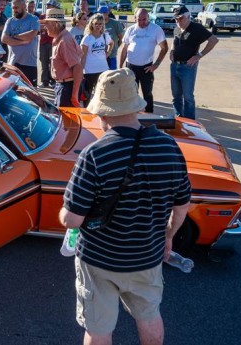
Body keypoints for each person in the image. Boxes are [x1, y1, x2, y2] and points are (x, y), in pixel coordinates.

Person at [59, 68, 191, 345]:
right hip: (146, 256)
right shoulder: (169, 147)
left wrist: (63, 212)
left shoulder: (94, 154)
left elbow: (71, 220)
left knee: (98, 328)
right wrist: (168, 237)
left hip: (99, 259)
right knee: (149, 316)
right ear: (136, 108)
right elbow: (182, 203)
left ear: (103, 113)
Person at [170, 6, 218, 120]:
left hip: (188, 66)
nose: (178, 21)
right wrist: (172, 50)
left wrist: (199, 55)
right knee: (176, 96)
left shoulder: (196, 28)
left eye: (180, 18)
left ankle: (189, 123)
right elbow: (174, 41)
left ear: (187, 17)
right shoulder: (178, 28)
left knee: (188, 97)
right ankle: (178, 119)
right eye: (176, 19)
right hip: (174, 65)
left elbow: (214, 40)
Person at [120, 8, 168, 113]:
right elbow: (125, 49)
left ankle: (149, 116)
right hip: (131, 67)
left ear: (148, 17)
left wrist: (156, 65)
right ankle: (132, 115)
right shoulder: (130, 30)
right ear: (135, 18)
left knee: (147, 93)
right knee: (132, 93)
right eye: (139, 20)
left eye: (144, 19)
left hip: (146, 68)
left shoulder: (156, 29)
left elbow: (164, 48)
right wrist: (120, 66)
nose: (142, 22)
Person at [44, 7, 82, 107]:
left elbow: (77, 67)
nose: (45, 26)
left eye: (46, 23)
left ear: (54, 24)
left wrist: (74, 95)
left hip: (67, 88)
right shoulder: (60, 38)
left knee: (66, 120)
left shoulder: (65, 41)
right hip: (63, 86)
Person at [1, 0, 40, 86]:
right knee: (14, 91)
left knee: (31, 92)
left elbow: (32, 34)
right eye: (13, 8)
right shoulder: (10, 21)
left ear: (23, 7)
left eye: (16, 7)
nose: (14, 10)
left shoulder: (33, 19)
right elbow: (4, 39)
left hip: (29, 64)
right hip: (13, 64)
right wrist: (23, 41)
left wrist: (13, 37)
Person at [80, 14, 112, 99]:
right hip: (89, 71)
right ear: (92, 24)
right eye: (96, 24)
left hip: (103, 69)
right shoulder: (87, 38)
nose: (98, 26)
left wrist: (108, 52)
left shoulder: (105, 36)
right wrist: (81, 71)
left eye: (100, 24)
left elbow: (112, 43)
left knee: (102, 93)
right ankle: (87, 111)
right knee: (87, 94)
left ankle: (100, 111)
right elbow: (83, 56)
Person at [36, 0, 57, 88]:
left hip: (53, 42)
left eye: (50, 5)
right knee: (44, 62)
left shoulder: (57, 16)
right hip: (43, 43)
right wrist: (45, 27)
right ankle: (44, 81)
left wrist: (46, 27)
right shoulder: (42, 16)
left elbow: (57, 28)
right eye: (48, 5)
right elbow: (39, 27)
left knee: (53, 63)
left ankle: (53, 81)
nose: (48, 7)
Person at [99, 6, 123, 70]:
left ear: (108, 13)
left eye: (104, 12)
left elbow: (120, 37)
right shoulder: (98, 24)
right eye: (100, 13)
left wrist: (116, 46)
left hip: (112, 55)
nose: (102, 14)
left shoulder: (115, 23)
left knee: (112, 75)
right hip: (100, 56)